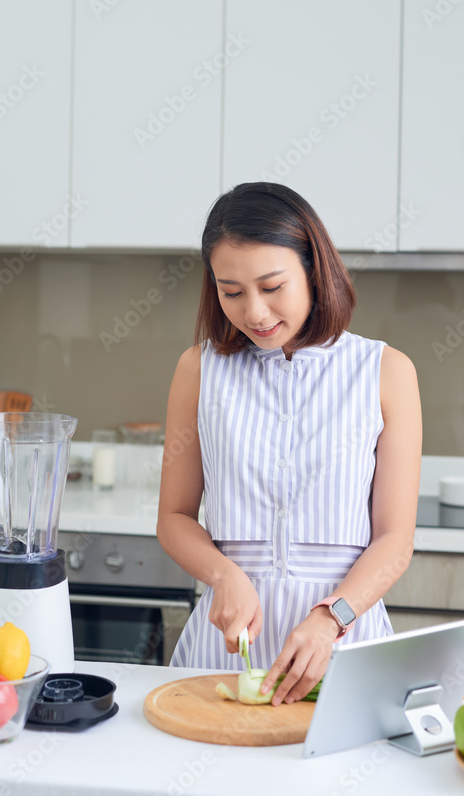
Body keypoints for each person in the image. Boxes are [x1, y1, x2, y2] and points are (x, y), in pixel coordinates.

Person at [156, 182, 422, 705]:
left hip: (344, 641)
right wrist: (222, 573)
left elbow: (395, 540)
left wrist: (331, 619)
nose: (254, 312)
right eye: (231, 292)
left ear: (314, 270)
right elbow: (175, 517)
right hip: (226, 647)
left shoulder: (386, 371)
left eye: (273, 286)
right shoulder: (198, 370)